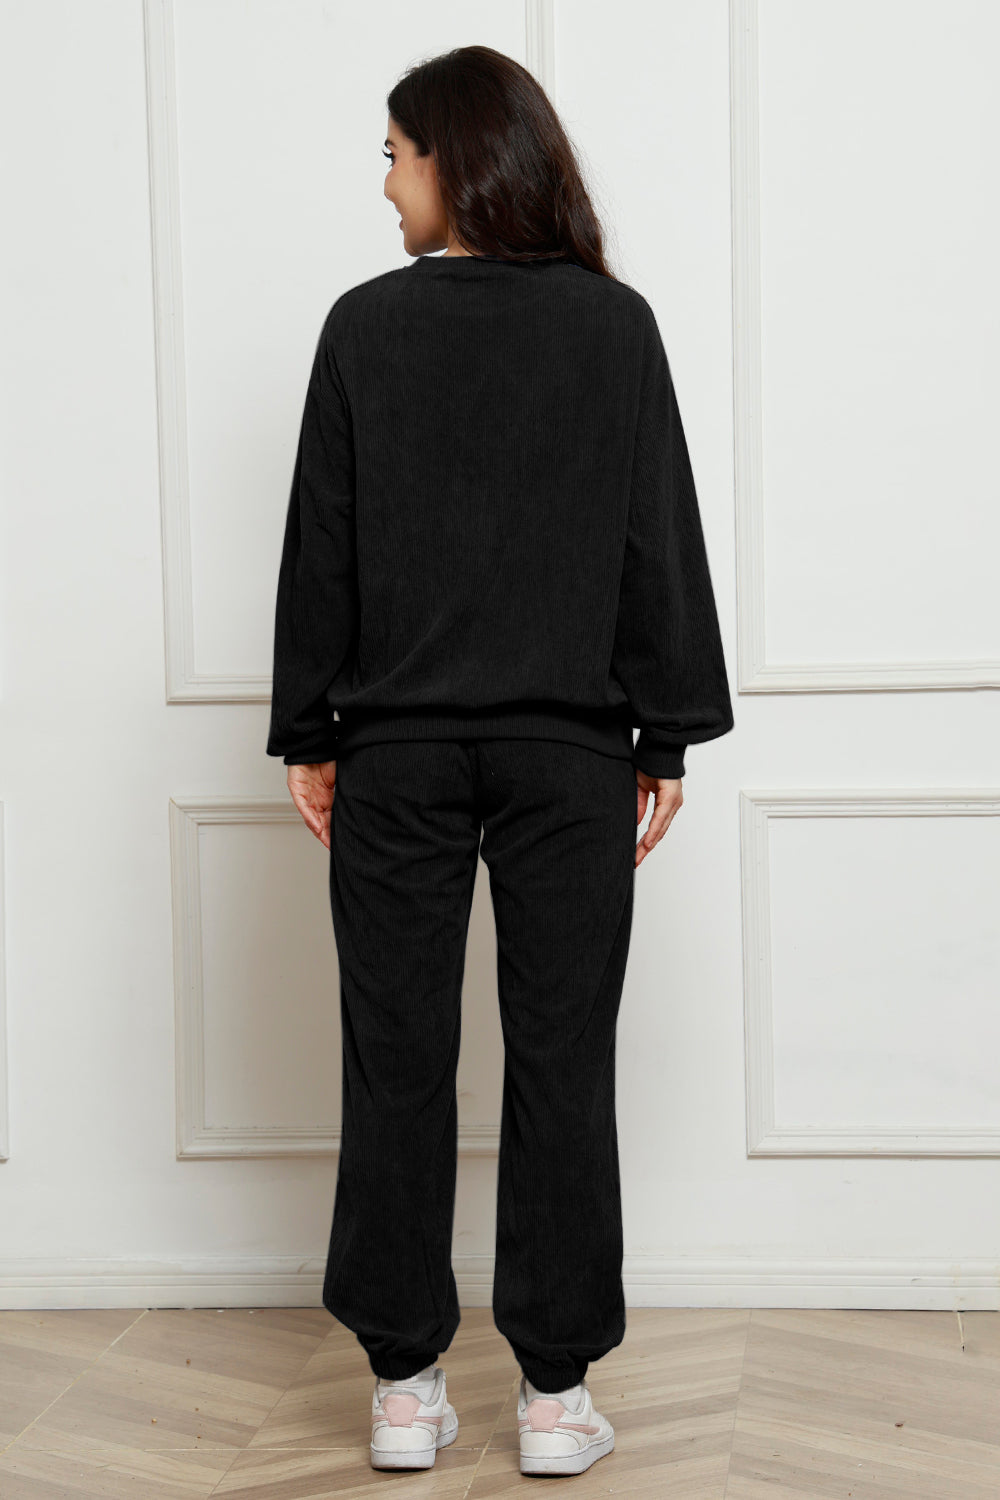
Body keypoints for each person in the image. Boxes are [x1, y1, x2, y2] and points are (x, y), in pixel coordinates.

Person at [265, 44, 734, 1478]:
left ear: (455, 160)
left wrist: (311, 731)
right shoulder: (614, 325)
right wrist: (663, 729)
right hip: (569, 756)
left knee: (395, 1062)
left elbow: (322, 546)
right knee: (562, 1063)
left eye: (394, 153)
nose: (385, 183)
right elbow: (657, 533)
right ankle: (552, 1398)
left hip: (397, 755)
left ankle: (405, 1390)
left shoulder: (364, 329)